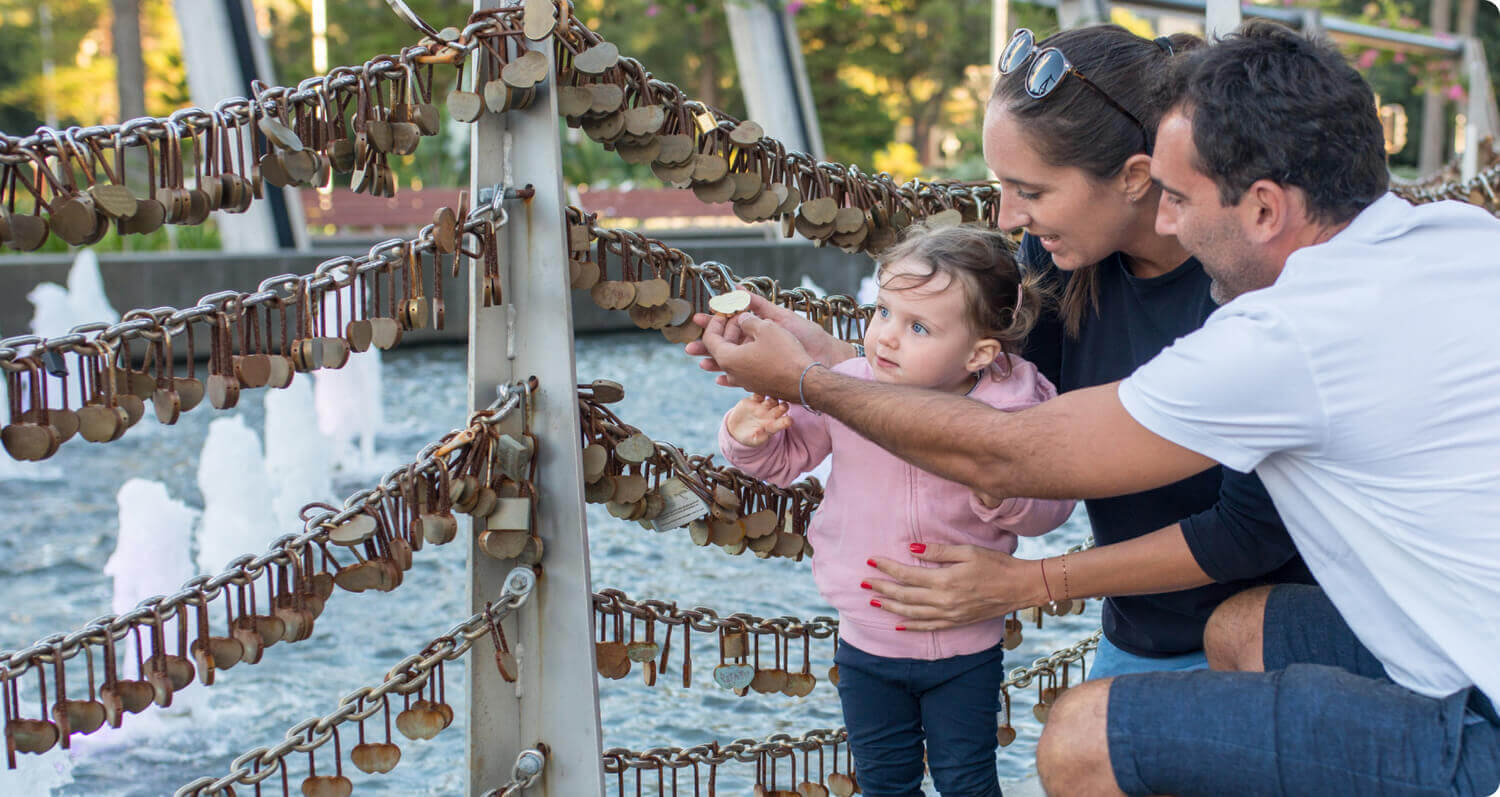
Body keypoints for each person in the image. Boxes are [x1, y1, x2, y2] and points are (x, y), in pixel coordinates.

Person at [695, 21, 1500, 797]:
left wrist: (812, 385)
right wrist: (823, 354)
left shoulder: (1284, 332)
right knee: (1239, 629)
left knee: (1077, 739)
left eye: (1180, 197)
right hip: (1436, 633)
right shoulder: (1461, 235)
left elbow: (1011, 452)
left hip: (1481, 721)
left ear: (1261, 208)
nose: (1169, 219)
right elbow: (980, 394)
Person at [696, 22, 1315, 681]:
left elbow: (1246, 533)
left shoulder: (1243, 285)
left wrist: (1029, 582)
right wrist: (833, 360)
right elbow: (989, 407)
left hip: (1267, 642)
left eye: (1032, 190)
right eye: (1003, 185)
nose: (1006, 217)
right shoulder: (1055, 258)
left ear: (1136, 177)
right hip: (1138, 631)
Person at [717, 224, 1075, 797]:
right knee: (885, 784)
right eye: (883, 311)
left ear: (979, 352)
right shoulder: (849, 387)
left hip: (965, 646)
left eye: (917, 327)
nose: (885, 337)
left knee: (969, 782)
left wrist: (1001, 490)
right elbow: (784, 461)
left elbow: (1055, 502)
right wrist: (747, 435)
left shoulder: (1015, 405)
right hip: (865, 644)